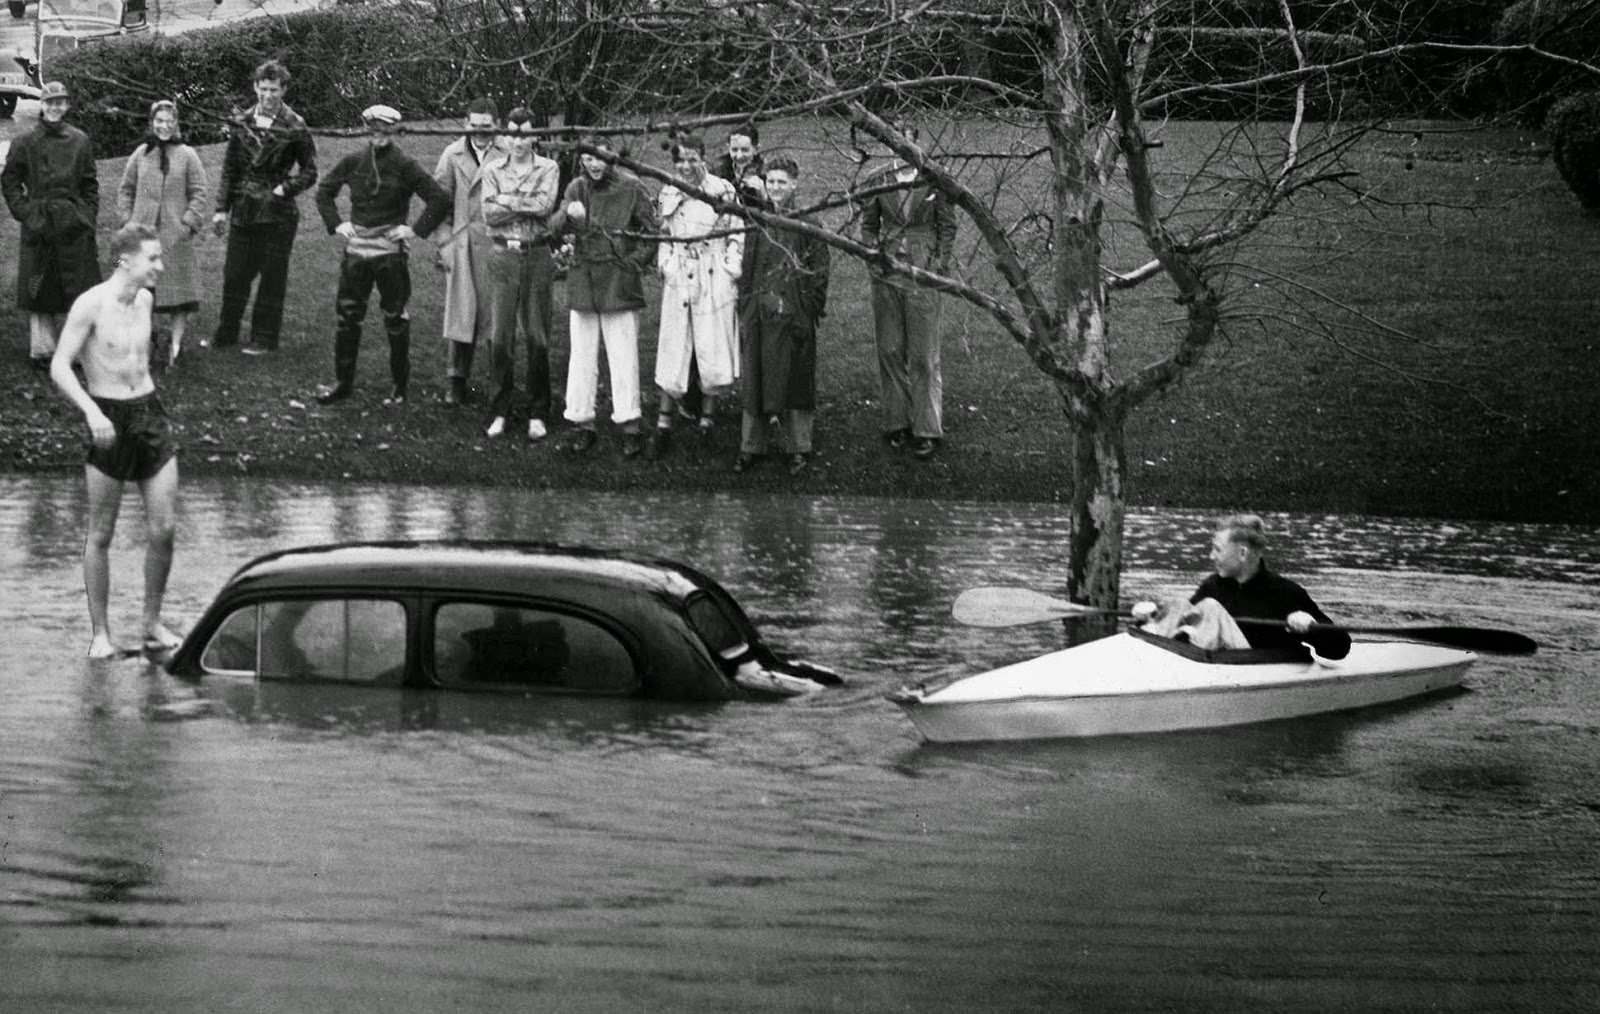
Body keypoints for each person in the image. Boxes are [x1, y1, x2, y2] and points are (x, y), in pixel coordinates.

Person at [48, 223, 181, 659]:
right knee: (101, 532)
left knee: (164, 529)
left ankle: (151, 622)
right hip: (107, 417)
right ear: (126, 260)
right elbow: (60, 366)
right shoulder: (90, 305)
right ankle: (100, 633)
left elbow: (137, 361)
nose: (160, 266)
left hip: (149, 414)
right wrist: (91, 411)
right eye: (153, 258)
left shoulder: (145, 300)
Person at [312, 104, 450, 405]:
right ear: (365, 129)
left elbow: (438, 199)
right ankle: (342, 383)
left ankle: (400, 387)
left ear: (395, 131)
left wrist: (413, 230)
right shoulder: (353, 161)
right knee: (348, 317)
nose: (378, 135)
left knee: (395, 318)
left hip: (390, 255)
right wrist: (337, 224)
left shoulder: (405, 164)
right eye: (372, 129)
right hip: (357, 252)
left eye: (384, 130)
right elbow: (324, 192)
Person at [548, 134, 658, 456]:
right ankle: (582, 423)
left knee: (623, 357)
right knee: (581, 358)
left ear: (611, 157)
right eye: (587, 158)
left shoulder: (632, 187)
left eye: (598, 157)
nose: (592, 164)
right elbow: (552, 228)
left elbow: (651, 235)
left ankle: (630, 427)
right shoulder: (576, 187)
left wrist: (631, 265)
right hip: (583, 281)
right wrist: (569, 214)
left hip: (618, 283)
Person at [858, 120, 956, 460]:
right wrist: (874, 259)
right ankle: (896, 422)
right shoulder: (877, 180)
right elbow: (868, 227)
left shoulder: (934, 179)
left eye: (905, 146)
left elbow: (948, 226)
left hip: (922, 274)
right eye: (892, 146)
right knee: (889, 349)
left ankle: (926, 427)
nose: (898, 153)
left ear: (917, 146)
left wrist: (938, 266)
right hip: (887, 274)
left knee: (923, 355)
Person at [210, 60, 318, 356]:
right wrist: (221, 209)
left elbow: (310, 171)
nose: (268, 95)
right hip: (244, 209)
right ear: (255, 87)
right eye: (264, 88)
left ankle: (264, 338)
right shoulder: (242, 120)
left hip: (277, 214)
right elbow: (230, 169)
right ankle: (227, 332)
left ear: (284, 90)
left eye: (275, 90)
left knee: (272, 278)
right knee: (234, 275)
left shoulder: (294, 124)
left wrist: (285, 188)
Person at [1132, 514, 1352, 659]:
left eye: (1217, 550)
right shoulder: (1212, 585)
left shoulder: (1284, 592)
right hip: (1202, 659)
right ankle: (1150, 628)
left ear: (1243, 553)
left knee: (1210, 607)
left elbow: (1340, 648)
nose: (1211, 556)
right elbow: (1185, 617)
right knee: (1180, 605)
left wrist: (1311, 627)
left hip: (1249, 666)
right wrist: (1151, 617)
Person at [734, 156, 830, 477]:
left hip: (793, 315)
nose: (775, 188)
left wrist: (806, 309)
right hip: (758, 313)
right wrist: (746, 306)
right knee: (756, 379)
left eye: (781, 182)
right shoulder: (756, 220)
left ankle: (797, 447)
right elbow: (746, 268)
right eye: (770, 182)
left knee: (794, 381)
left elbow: (819, 271)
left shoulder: (808, 223)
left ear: (794, 184)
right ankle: (751, 446)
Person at [649, 133, 742, 459]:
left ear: (703, 157)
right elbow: (660, 230)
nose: (687, 166)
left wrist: (731, 269)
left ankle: (707, 419)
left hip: (713, 273)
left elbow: (737, 232)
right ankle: (663, 422)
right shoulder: (666, 190)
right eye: (680, 160)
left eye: (692, 159)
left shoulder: (724, 190)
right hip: (680, 275)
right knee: (675, 346)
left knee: (710, 345)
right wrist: (667, 265)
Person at [1, 80, 100, 370]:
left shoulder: (80, 140)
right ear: (41, 106)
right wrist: (27, 212)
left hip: (74, 223)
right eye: (49, 102)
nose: (55, 107)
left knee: (79, 286)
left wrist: (86, 215)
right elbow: (9, 182)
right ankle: (43, 349)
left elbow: (89, 184)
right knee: (40, 284)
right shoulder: (25, 142)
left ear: (67, 106)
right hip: (40, 223)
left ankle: (79, 350)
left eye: (60, 102)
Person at [478, 106, 560, 440]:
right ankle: (500, 410)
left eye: (524, 133)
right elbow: (488, 213)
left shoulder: (549, 167)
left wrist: (507, 200)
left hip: (537, 256)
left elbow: (545, 208)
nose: (518, 141)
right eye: (512, 133)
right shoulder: (492, 169)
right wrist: (522, 199)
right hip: (503, 257)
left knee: (537, 338)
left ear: (535, 136)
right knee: (500, 338)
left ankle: (538, 412)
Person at [117, 99, 208, 367]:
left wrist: (187, 224)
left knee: (179, 295)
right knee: (137, 290)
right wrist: (127, 221)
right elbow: (126, 189)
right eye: (159, 120)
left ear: (176, 123)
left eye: (169, 121)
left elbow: (199, 193)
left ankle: (175, 348)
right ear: (152, 122)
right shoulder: (141, 153)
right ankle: (143, 341)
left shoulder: (188, 155)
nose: (164, 125)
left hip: (174, 237)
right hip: (141, 234)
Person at [432, 97, 509, 406]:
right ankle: (456, 379)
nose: (480, 132)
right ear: (466, 125)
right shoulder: (452, 155)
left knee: (497, 315)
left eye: (486, 127)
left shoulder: (508, 152)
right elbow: (438, 204)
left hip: (497, 242)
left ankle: (498, 382)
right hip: (462, 243)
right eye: (474, 126)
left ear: (497, 126)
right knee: (461, 313)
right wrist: (445, 244)